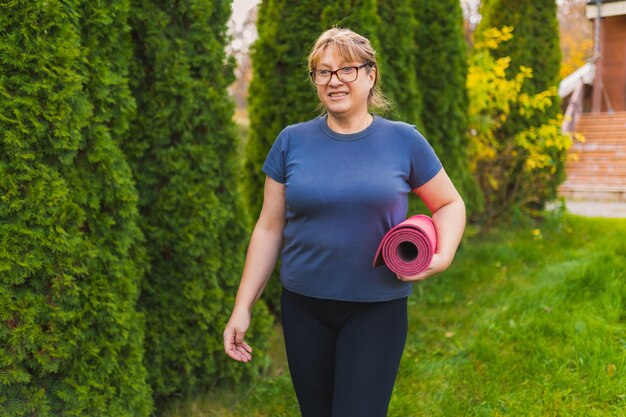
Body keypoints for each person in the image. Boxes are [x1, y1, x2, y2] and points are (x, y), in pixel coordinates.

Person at [223, 27, 466, 417]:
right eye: (323, 72)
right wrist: (243, 306)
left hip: (376, 309)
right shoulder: (291, 142)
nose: (334, 81)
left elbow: (450, 203)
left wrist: (444, 254)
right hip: (304, 308)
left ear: (370, 75)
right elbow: (269, 227)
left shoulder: (403, 141)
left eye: (346, 70)